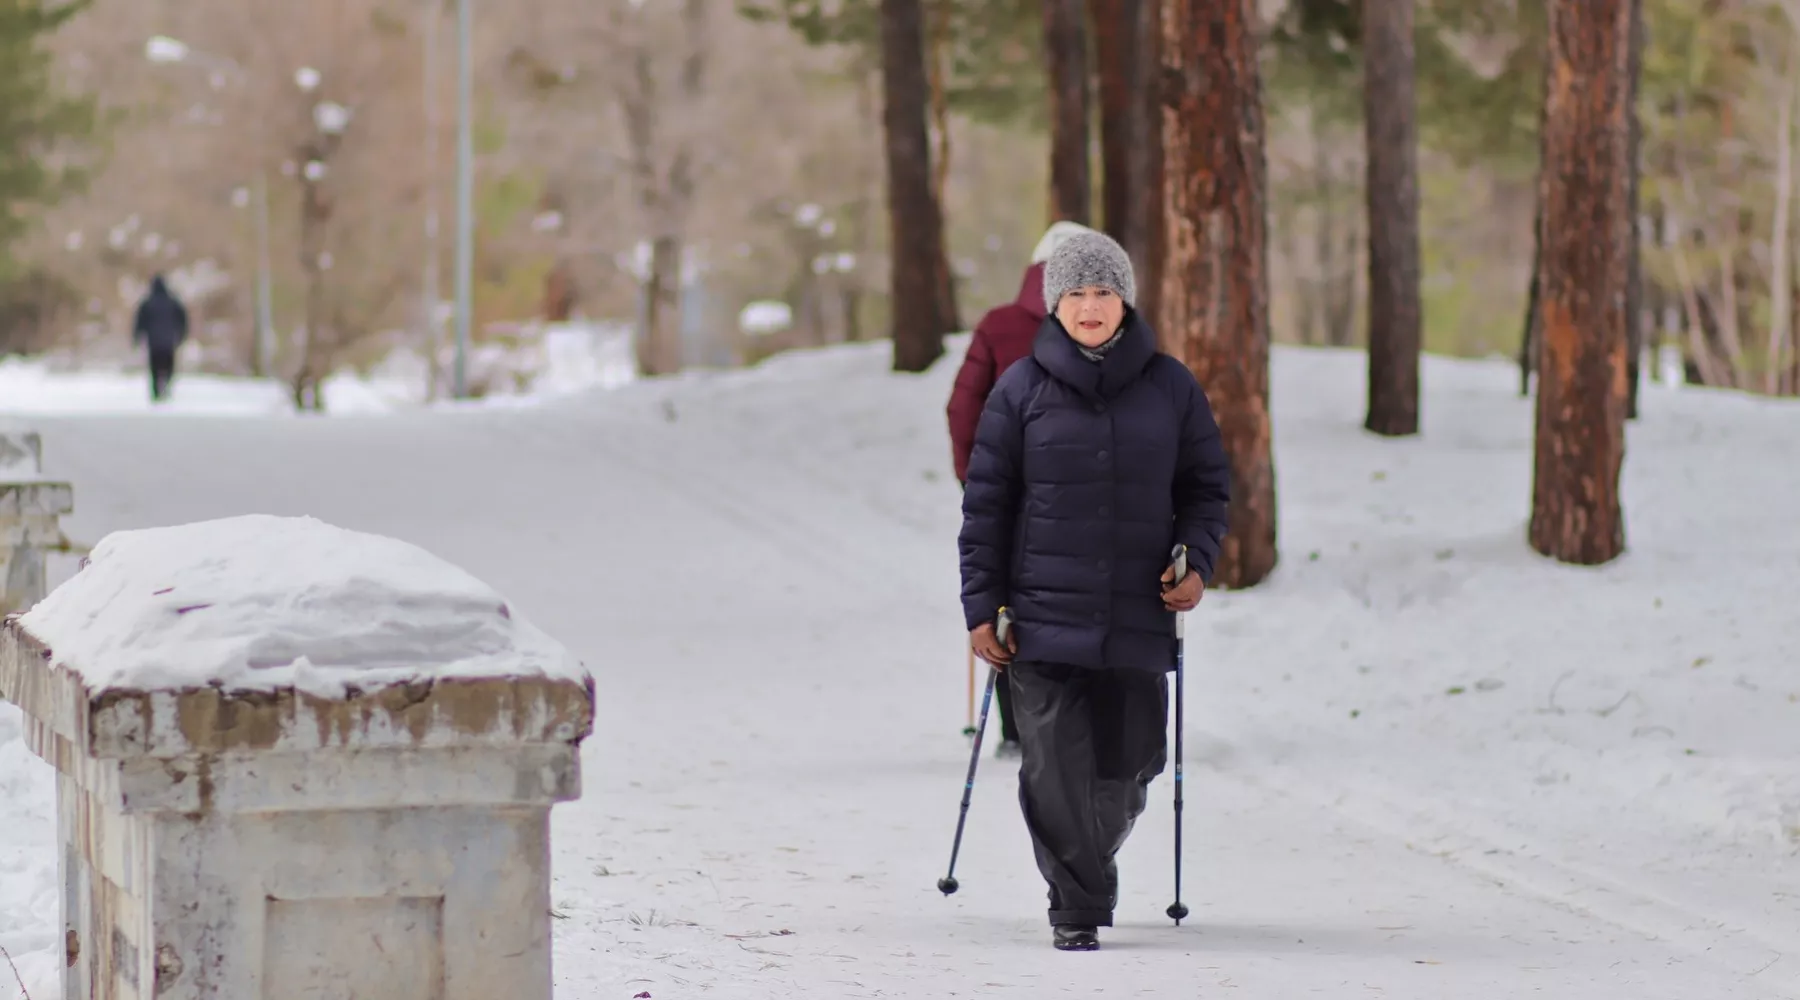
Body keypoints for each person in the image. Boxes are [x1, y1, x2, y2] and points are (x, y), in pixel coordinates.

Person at [957, 229, 1231, 952]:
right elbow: (986, 506)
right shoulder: (1019, 390)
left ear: (1124, 301)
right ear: (1054, 303)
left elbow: (1206, 488)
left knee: (1131, 761)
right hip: (1041, 619)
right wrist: (981, 609)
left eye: (1103, 291)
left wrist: (1196, 562)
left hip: (1137, 616)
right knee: (1052, 771)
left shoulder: (1171, 387)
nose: (1089, 305)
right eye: (1075, 292)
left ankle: (1087, 864)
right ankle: (1075, 906)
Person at [946, 221, 1097, 757]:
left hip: (1012, 488)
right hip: (1092, 490)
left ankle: (1018, 729)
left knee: (1010, 598)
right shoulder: (1105, 325)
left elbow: (963, 407)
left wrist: (974, 477)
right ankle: (1086, 719)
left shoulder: (999, 325)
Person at [132, 274, 189, 403]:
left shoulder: (147, 303)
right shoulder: (173, 302)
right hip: (169, 342)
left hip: (154, 342)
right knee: (168, 366)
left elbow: (139, 322)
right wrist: (181, 335)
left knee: (155, 368)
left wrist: (137, 337)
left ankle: (156, 392)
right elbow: (182, 320)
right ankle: (166, 387)